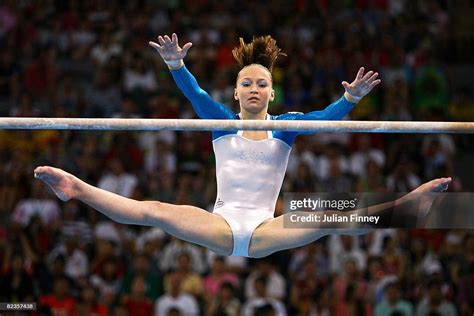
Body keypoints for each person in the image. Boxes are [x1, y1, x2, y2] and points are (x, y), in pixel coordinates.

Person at [34, 33, 452, 258]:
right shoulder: (220, 123)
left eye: (262, 84)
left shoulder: (286, 127)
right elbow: (196, 95)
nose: (254, 88)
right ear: (235, 93)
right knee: (154, 211)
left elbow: (324, 119)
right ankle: (76, 187)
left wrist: (350, 100)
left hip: (266, 230)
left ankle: (407, 206)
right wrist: (176, 64)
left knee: (327, 214)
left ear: (272, 94)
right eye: (246, 83)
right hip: (222, 224)